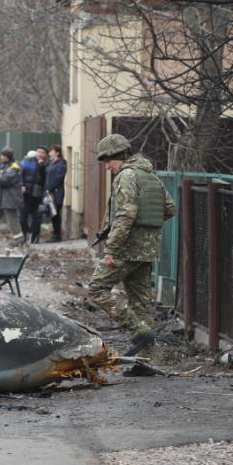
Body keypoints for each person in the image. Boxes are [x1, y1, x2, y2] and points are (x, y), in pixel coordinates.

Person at [88, 134, 176, 356]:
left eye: (109, 161)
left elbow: (126, 214)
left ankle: (139, 331)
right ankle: (146, 359)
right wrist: (146, 230)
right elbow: (169, 208)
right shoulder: (150, 176)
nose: (107, 167)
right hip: (147, 249)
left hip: (127, 248)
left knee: (97, 288)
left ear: (121, 156)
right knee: (140, 302)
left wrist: (112, 249)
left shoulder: (126, 176)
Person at [19, 147, 47, 243]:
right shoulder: (27, 161)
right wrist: (22, 185)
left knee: (36, 220)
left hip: (39, 197)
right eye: (39, 151)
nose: (40, 154)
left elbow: (46, 179)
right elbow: (20, 174)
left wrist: (42, 166)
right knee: (22, 218)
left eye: (42, 152)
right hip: (26, 195)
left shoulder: (47, 165)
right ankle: (24, 235)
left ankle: (34, 238)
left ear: (45, 155)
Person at [45, 145, 67, 242]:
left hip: (57, 193)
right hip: (51, 192)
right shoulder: (52, 163)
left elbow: (58, 178)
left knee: (56, 214)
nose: (50, 153)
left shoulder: (61, 164)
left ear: (57, 153)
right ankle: (55, 234)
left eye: (51, 151)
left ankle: (57, 235)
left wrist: (49, 188)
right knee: (53, 214)